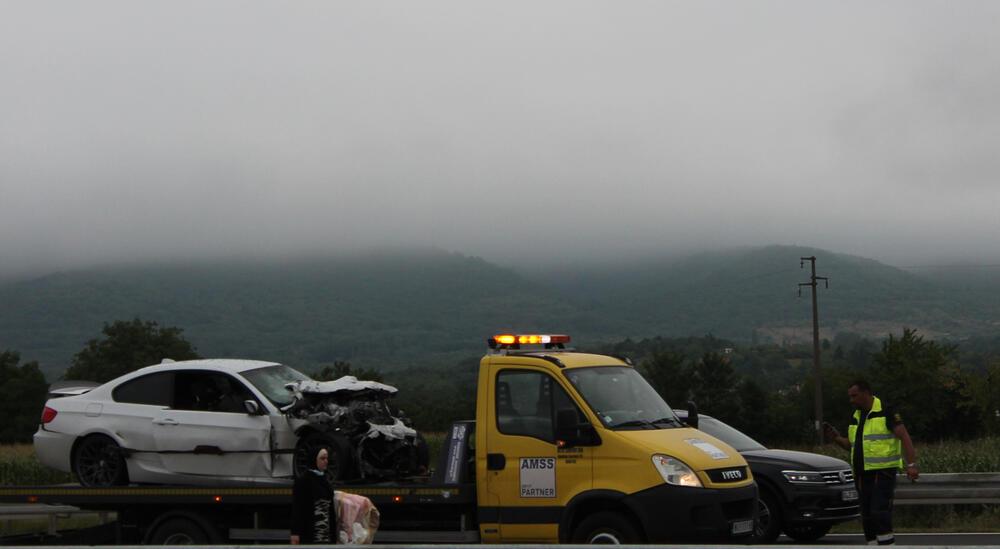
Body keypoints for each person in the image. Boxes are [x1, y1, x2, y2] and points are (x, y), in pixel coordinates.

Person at [823, 380, 918, 546]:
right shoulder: (856, 416)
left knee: (879, 513)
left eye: (854, 396)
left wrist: (911, 465)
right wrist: (836, 438)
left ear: (866, 393)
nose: (851, 400)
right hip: (861, 474)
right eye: (850, 397)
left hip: (882, 472)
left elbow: (904, 436)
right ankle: (872, 545)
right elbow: (851, 446)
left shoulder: (886, 411)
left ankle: (887, 545)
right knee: (866, 516)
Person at [290, 447, 336, 544]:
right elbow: (297, 508)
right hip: (311, 534)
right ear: (314, 459)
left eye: (327, 458)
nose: (326, 461)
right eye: (322, 458)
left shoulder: (325, 480)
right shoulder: (303, 481)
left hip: (326, 535)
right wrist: (295, 533)